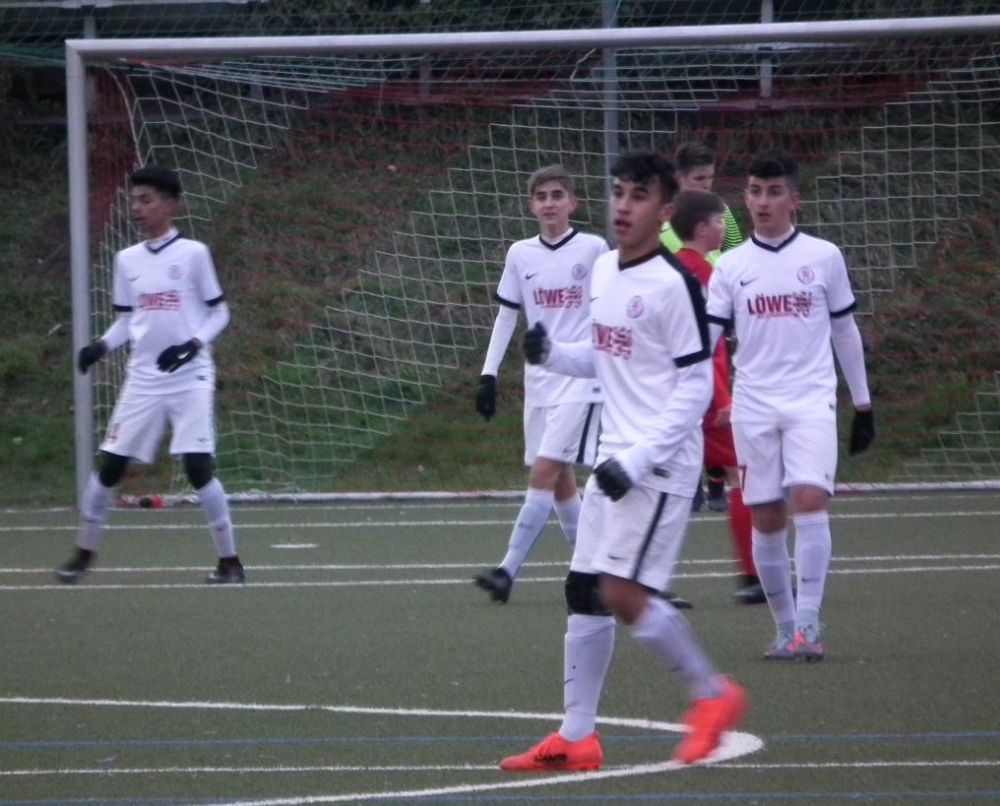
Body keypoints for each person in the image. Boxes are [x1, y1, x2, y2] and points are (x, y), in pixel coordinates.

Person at [499, 151, 746, 772]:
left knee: (621, 590)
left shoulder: (675, 285)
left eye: (639, 196)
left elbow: (695, 386)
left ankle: (712, 694)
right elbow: (606, 354)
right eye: (618, 193)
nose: (623, 206)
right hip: (616, 456)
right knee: (584, 590)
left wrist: (638, 459)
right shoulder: (606, 269)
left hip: (659, 463)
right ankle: (576, 737)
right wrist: (554, 354)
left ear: (664, 211)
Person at [705, 149, 875, 661]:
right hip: (753, 406)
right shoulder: (731, 265)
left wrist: (863, 405)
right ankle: (783, 628)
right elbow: (707, 339)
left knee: (810, 498)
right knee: (765, 515)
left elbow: (844, 330)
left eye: (774, 192)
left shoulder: (823, 257)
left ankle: (809, 622)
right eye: (755, 191)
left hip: (810, 400)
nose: (763, 201)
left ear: (793, 200)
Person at [56, 165, 245, 585]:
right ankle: (83, 553)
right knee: (110, 466)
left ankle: (230, 562)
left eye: (146, 200)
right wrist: (100, 346)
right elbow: (127, 321)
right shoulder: (127, 260)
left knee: (198, 466)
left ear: (170, 205)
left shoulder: (194, 254)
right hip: (143, 379)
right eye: (134, 201)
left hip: (190, 376)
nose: (137, 208)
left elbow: (219, 312)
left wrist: (191, 345)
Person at [472, 164, 608, 604]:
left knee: (545, 471)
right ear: (531, 206)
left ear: (573, 203)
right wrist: (489, 374)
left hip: (581, 380)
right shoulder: (520, 254)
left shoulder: (594, 249)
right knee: (561, 480)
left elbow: (608, 311)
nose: (549, 203)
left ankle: (506, 570)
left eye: (557, 195)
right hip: (540, 383)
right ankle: (596, 572)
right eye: (542, 197)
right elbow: (506, 315)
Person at [670, 190, 763, 605]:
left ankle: (642, 581)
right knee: (743, 475)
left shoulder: (670, 268)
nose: (725, 227)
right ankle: (752, 575)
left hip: (678, 395)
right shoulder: (706, 275)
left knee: (662, 486)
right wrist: (722, 397)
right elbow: (703, 346)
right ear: (703, 228)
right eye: (720, 220)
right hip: (705, 397)